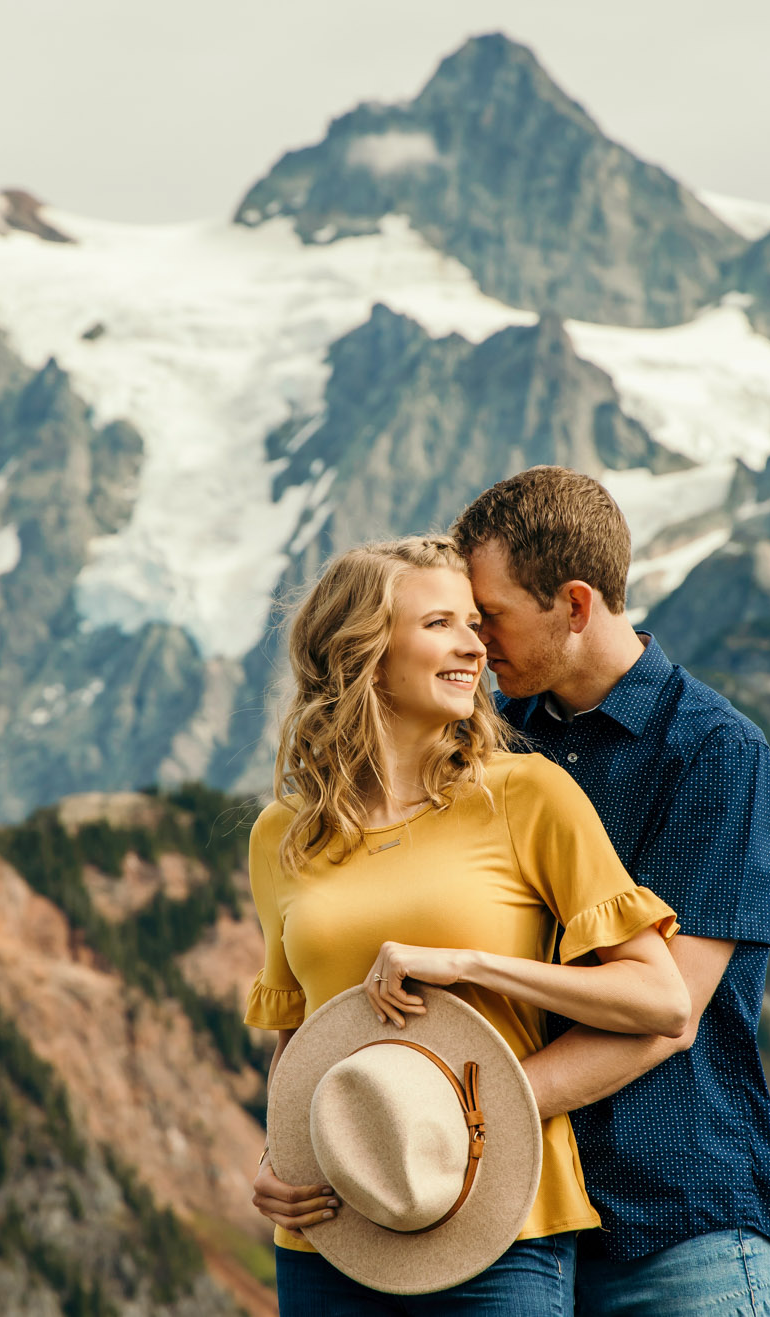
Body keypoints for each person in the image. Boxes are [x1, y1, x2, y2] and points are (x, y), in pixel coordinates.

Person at [244, 534, 693, 1314]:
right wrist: (275, 1150)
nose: (474, 645)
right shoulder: (283, 834)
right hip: (330, 1226)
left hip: (502, 1228)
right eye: (441, 624)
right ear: (366, 653)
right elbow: (302, 1029)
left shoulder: (525, 795)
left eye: (476, 623)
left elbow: (661, 999)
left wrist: (471, 965)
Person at [452, 466, 770, 1317]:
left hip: (680, 1229)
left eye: (490, 615)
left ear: (573, 604)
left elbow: (666, 1014)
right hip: (519, 1229)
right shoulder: (491, 744)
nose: (474, 638)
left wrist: (463, 1114)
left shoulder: (716, 752)